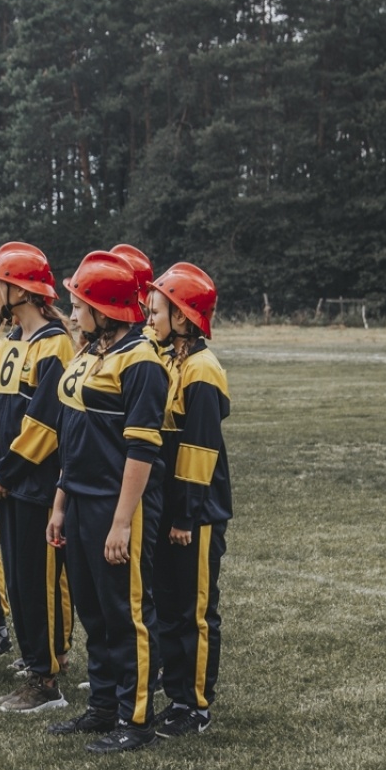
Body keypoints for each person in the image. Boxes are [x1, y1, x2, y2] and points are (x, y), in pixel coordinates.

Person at [45, 251, 168, 752]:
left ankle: (135, 719)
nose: (73, 313)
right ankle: (102, 705)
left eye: (80, 305)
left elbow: (142, 450)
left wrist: (122, 522)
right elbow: (71, 437)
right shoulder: (90, 352)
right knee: (93, 611)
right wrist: (60, 502)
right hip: (80, 499)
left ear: (105, 308)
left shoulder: (141, 361)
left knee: (125, 612)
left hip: (117, 506)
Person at [0, 242, 76, 713]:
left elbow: (45, 423)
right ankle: (37, 659)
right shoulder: (9, 340)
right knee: (17, 580)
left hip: (33, 487)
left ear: (21, 290)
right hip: (6, 483)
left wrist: (8, 473)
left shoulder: (55, 343)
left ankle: (45, 679)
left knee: (36, 582)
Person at [147, 263, 230, 738]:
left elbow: (199, 451)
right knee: (170, 607)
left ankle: (195, 705)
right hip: (169, 508)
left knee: (194, 611)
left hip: (194, 514)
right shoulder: (170, 358)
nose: (150, 318)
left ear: (181, 317)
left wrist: (184, 516)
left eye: (157, 311)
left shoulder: (202, 369)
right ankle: (177, 696)